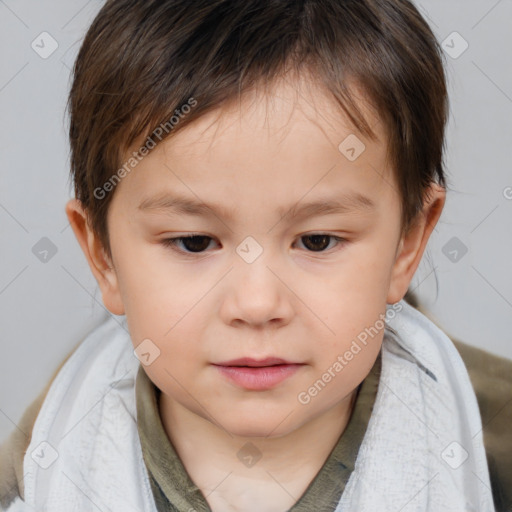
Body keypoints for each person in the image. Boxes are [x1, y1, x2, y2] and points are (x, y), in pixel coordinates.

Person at [1, 1, 511, 510]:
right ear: (102, 254)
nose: (257, 303)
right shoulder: (50, 456)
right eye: (194, 242)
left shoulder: (493, 436)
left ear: (408, 241)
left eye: (317, 241)